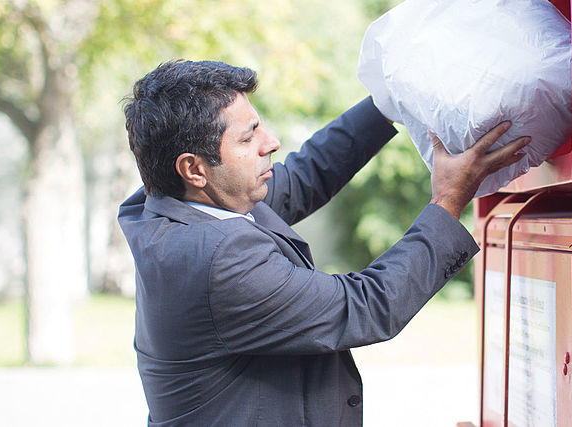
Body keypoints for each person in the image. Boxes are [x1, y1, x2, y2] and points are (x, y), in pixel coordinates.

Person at [117, 59, 529, 426]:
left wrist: (387, 100)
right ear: (193, 168)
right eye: (247, 139)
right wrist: (448, 200)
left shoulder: (180, 202)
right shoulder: (216, 259)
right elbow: (367, 305)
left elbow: (304, 177)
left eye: (259, 125)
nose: (271, 143)